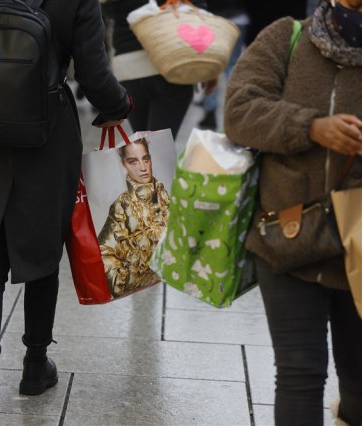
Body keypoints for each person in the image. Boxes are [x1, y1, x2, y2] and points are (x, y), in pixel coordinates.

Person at [0, 0, 131, 424]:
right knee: (42, 247)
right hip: (47, 134)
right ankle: (35, 363)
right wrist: (118, 104)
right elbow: (93, 71)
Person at [224, 1, 362, 423]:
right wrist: (311, 127)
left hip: (358, 241)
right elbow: (239, 111)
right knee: (299, 373)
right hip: (288, 235)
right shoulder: (287, 36)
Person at [100, 0, 213, 139]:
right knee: (158, 148)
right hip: (171, 65)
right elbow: (198, 11)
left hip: (129, 67)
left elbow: (104, 8)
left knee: (145, 146)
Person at [98, 138, 169, 297]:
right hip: (138, 281)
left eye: (146, 159)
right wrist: (124, 281)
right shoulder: (122, 204)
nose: (143, 167)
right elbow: (105, 251)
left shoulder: (162, 193)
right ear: (123, 165)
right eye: (133, 161)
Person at [197, 0, 248, 131]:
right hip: (238, 18)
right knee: (232, 66)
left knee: (213, 66)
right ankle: (237, 110)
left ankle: (210, 111)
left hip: (213, 18)